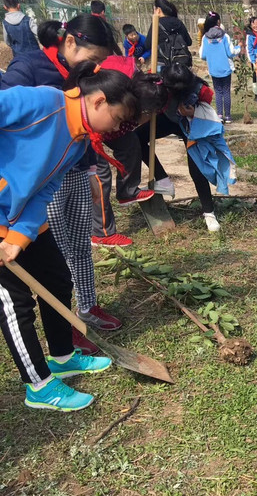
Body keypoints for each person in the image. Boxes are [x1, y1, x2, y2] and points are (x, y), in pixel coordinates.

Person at [0, 62, 139, 411]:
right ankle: (39, 386)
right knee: (15, 305)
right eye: (119, 120)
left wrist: (20, 236)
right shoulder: (43, 103)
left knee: (58, 280)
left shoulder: (78, 142)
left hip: (20, 220)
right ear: (98, 101)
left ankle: (62, 356)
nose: (117, 130)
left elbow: (45, 191)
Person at [91, 57, 169, 247]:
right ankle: (101, 233)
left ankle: (127, 191)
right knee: (100, 177)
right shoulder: (115, 88)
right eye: (146, 113)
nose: (146, 117)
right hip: (90, 127)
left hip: (112, 120)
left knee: (130, 144)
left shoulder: (147, 87)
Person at [138, 63, 221, 232]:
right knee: (136, 138)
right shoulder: (160, 83)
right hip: (168, 120)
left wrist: (191, 113)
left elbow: (208, 114)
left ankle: (209, 213)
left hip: (191, 124)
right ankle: (163, 180)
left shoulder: (201, 90)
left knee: (196, 168)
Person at [199, 11, 240, 123]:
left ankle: (219, 115)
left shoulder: (205, 38)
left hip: (214, 69)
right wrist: (239, 48)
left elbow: (202, 55)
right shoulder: (224, 36)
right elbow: (231, 52)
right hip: (225, 69)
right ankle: (228, 116)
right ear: (218, 22)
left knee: (218, 92)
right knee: (226, 91)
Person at [142, 0, 192, 71]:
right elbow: (188, 42)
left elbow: (147, 45)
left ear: (158, 10)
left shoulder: (156, 23)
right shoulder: (178, 22)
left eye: (154, 9)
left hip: (162, 64)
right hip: (180, 64)